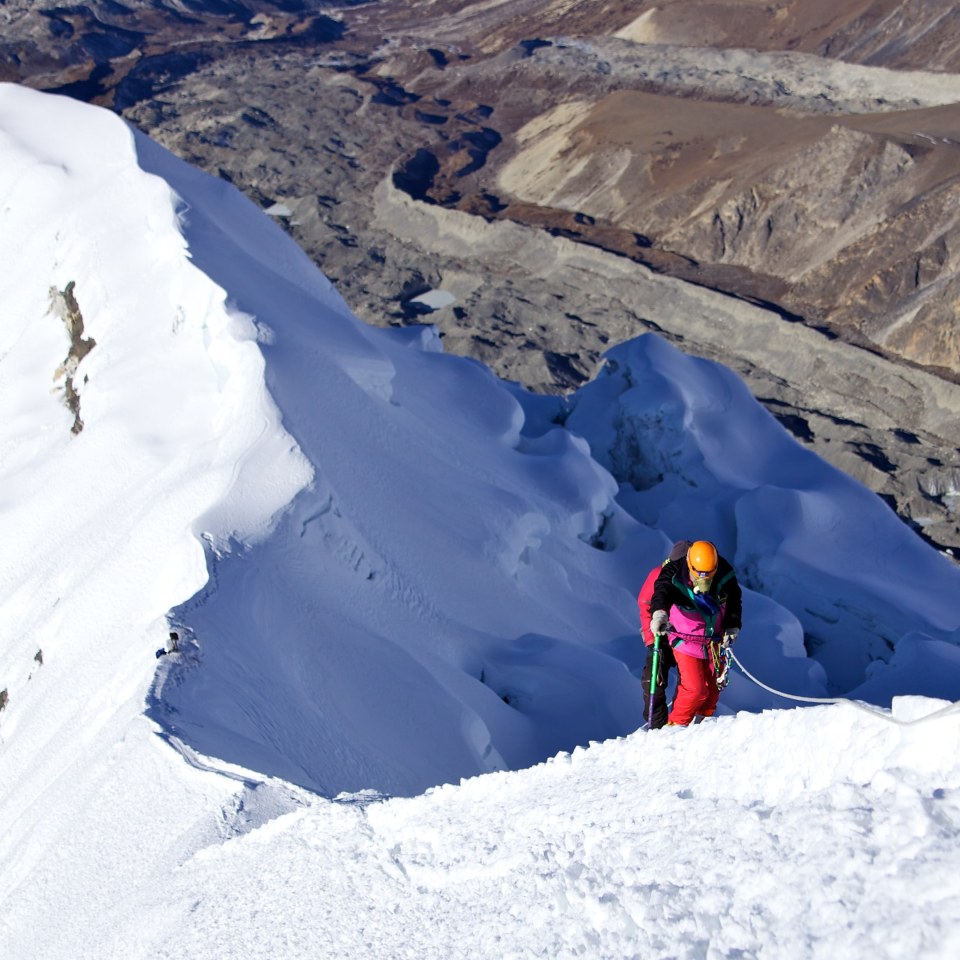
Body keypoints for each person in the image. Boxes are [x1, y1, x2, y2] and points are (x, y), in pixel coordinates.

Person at [649, 540, 742, 726]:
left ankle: (702, 726)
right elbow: (661, 592)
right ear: (689, 564)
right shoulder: (674, 572)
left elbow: (734, 600)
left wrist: (732, 625)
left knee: (714, 687)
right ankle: (675, 727)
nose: (704, 578)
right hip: (684, 639)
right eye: (699, 573)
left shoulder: (725, 573)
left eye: (709, 573)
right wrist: (659, 614)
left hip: (714, 640)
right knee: (695, 689)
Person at [637, 539, 691, 728]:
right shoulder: (659, 575)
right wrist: (651, 637)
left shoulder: (692, 577)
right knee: (654, 679)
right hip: (661, 636)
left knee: (688, 680)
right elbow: (645, 604)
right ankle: (657, 724)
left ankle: (680, 720)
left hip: (685, 637)